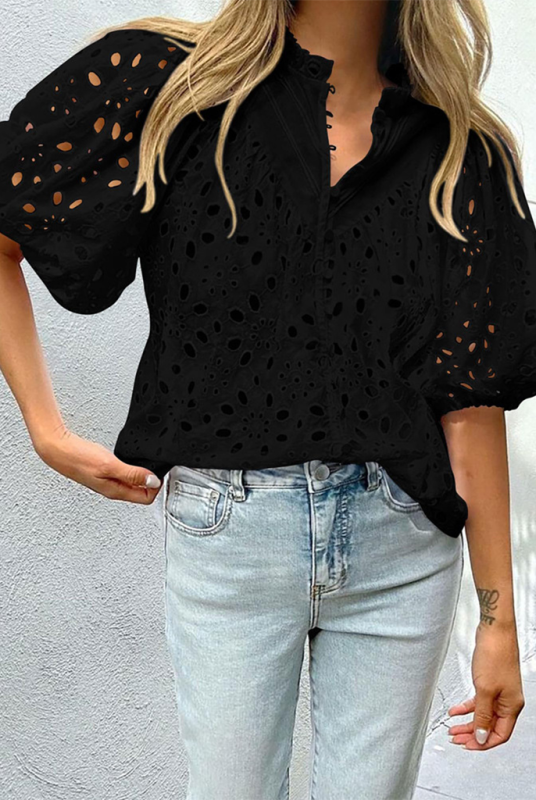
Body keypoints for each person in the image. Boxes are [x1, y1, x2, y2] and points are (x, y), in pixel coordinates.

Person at [0, 0, 532, 797]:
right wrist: (45, 430)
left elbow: (470, 398)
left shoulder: (462, 150)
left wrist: (497, 624)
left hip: (401, 546)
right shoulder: (168, 84)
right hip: (230, 537)